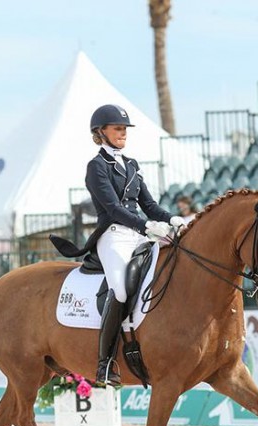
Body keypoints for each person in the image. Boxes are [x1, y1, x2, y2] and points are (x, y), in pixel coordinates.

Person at [85, 104, 185, 386]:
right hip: (114, 236)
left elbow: (149, 206)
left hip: (139, 236)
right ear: (100, 132)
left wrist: (173, 219)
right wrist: (145, 226)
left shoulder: (132, 165)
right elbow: (114, 209)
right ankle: (105, 363)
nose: (122, 133)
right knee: (119, 290)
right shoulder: (96, 167)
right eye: (117, 129)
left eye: (124, 129)